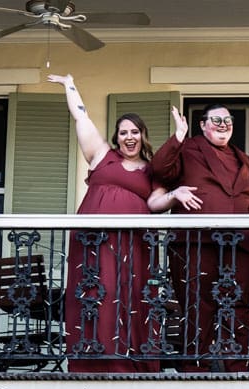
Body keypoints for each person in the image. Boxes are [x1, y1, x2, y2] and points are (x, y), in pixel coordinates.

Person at [49, 73, 160, 371]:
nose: (129, 137)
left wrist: (176, 194)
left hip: (133, 243)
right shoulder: (101, 156)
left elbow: (159, 202)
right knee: (95, 294)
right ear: (116, 137)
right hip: (93, 241)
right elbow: (81, 117)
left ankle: (129, 363)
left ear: (143, 135)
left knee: (128, 295)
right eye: (123, 132)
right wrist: (70, 84)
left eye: (134, 131)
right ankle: (90, 362)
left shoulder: (152, 170)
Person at [150, 102, 249, 371]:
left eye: (227, 120)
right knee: (196, 305)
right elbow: (158, 170)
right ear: (203, 125)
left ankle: (235, 366)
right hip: (196, 242)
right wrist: (178, 136)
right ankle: (196, 368)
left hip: (240, 244)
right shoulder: (189, 148)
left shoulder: (243, 158)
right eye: (216, 120)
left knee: (238, 306)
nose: (223, 125)